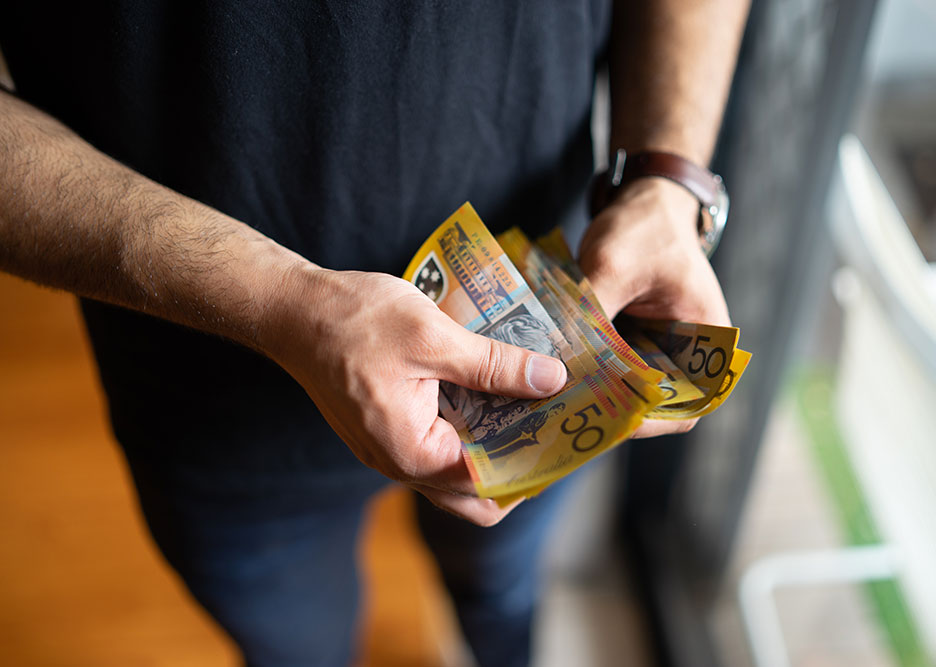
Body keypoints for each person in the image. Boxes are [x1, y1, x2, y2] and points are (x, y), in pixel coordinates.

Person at [0, 2, 748, 665]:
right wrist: (285, 303)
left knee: (503, 587)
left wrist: (667, 178)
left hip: (558, 307)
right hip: (217, 388)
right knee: (299, 648)